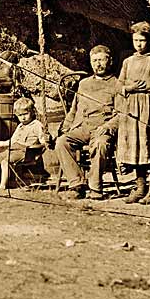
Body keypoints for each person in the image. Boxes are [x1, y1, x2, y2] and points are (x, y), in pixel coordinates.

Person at [51, 45, 120, 200]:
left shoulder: (117, 84)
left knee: (100, 145)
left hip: (102, 128)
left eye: (102, 60)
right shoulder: (84, 84)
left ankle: (95, 188)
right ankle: (77, 185)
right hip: (83, 127)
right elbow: (74, 110)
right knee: (62, 142)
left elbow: (121, 114)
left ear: (110, 61)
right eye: (95, 61)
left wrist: (108, 127)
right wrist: (64, 128)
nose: (98, 64)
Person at [116, 21, 150, 205]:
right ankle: (140, 187)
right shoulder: (128, 62)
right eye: (136, 40)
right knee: (136, 148)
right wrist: (127, 87)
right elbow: (118, 84)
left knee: (149, 147)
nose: (139, 44)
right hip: (131, 108)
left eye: (142, 41)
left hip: (148, 107)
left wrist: (138, 87)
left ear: (149, 41)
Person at [0, 97, 49, 191]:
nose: (23, 117)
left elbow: (43, 142)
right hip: (13, 149)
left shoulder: (37, 125)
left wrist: (39, 151)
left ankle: (2, 186)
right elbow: (12, 141)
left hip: (25, 151)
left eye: (26, 114)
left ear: (33, 111)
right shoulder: (20, 126)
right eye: (20, 115)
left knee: (5, 162)